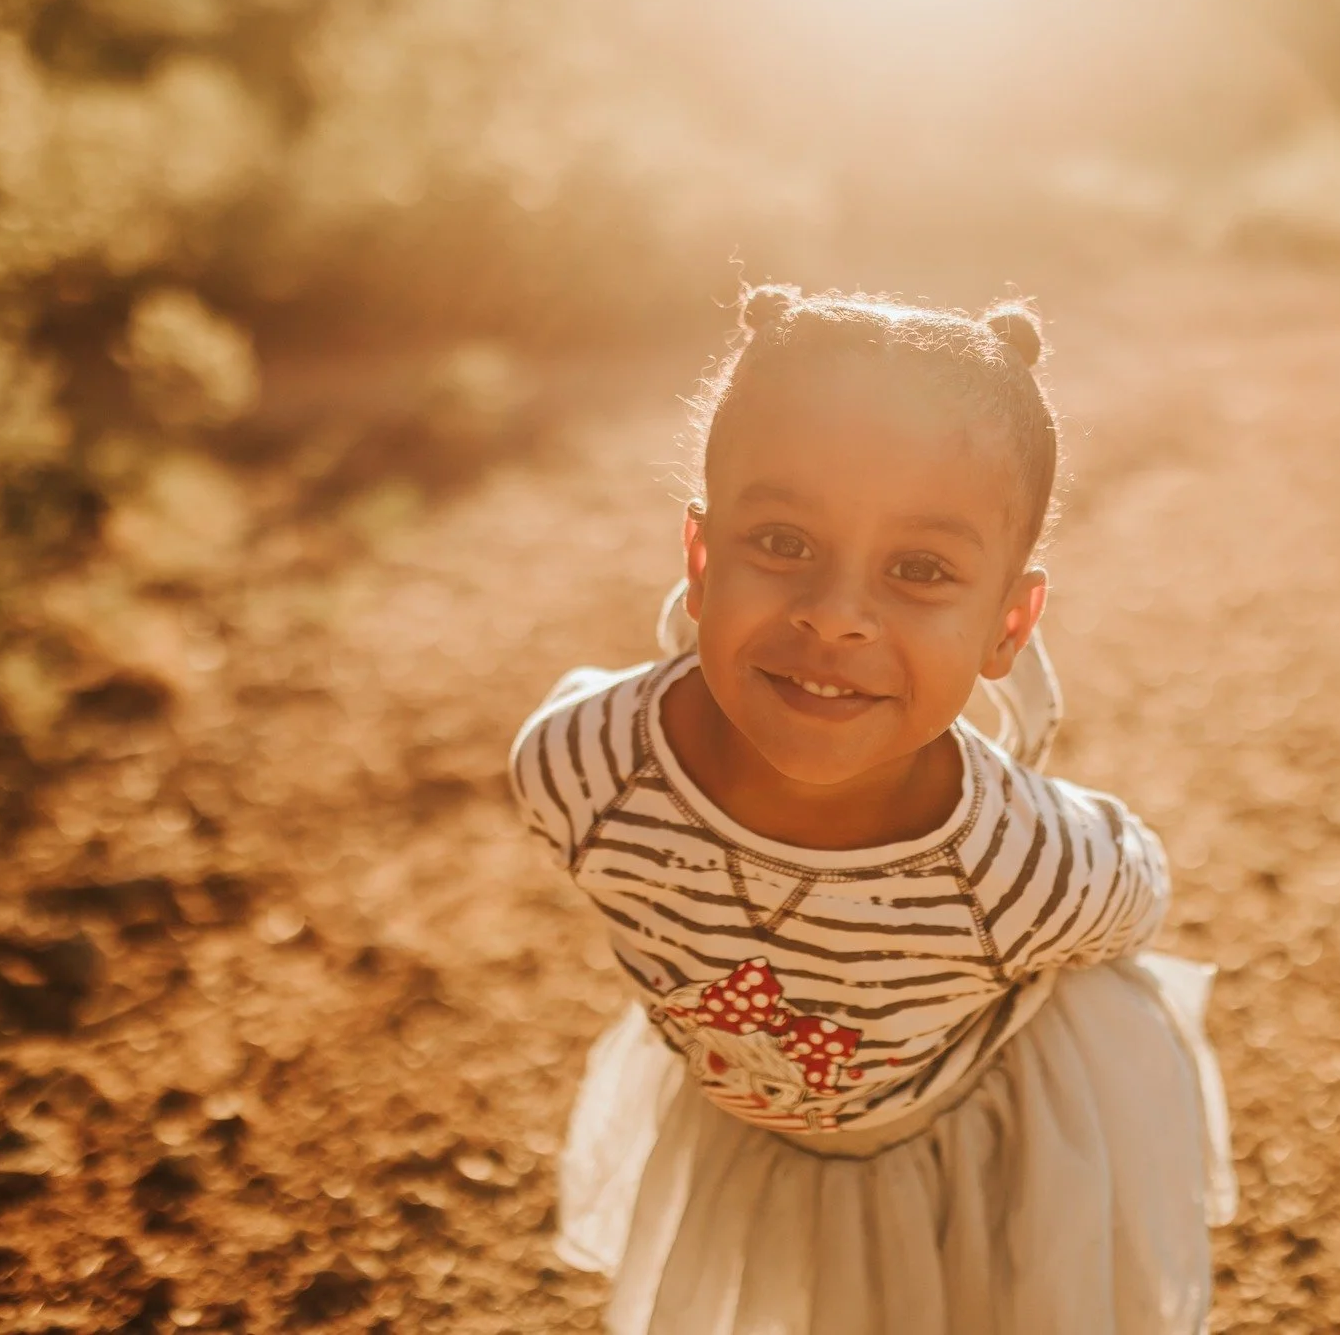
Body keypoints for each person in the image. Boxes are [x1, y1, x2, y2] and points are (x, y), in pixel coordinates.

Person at [509, 285, 1236, 1334]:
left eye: (919, 569)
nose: (835, 615)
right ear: (701, 560)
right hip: (748, 1143)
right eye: (782, 543)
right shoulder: (584, 771)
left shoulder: (1014, 860)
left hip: (979, 1155)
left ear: (1007, 625)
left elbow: (1135, 892)